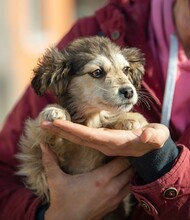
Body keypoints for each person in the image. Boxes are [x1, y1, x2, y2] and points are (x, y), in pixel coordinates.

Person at [0, 0, 190, 219]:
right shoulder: (95, 30)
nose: (126, 85)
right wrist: (50, 214)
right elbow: (5, 168)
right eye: (98, 73)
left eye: (126, 70)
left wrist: (160, 160)